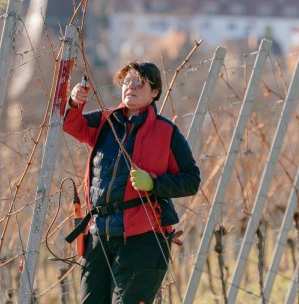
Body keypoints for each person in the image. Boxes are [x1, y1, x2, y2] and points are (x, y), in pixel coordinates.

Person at [63, 61, 201, 303]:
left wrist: (153, 183)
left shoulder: (166, 132)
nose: (131, 87)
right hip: (99, 235)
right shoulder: (107, 122)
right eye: (127, 81)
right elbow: (72, 125)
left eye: (140, 83)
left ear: (155, 92)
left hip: (143, 239)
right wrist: (75, 101)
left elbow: (191, 181)